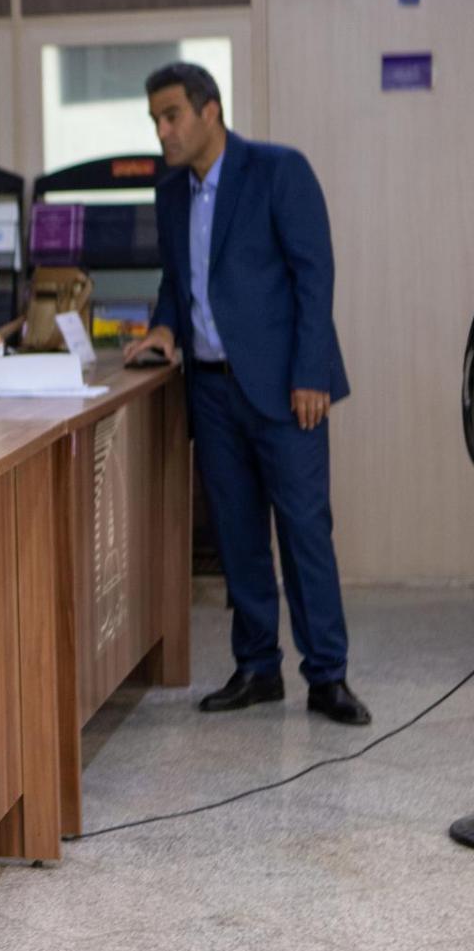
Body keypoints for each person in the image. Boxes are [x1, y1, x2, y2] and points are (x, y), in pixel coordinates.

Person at [124, 62, 365, 725]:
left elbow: (315, 275)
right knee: (237, 535)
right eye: (155, 120)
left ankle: (327, 676)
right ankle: (258, 667)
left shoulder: (278, 170)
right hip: (210, 391)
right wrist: (164, 328)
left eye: (172, 116)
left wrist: (312, 373)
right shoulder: (170, 192)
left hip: (288, 390)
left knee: (304, 531)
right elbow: (176, 279)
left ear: (211, 111)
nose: (162, 131)